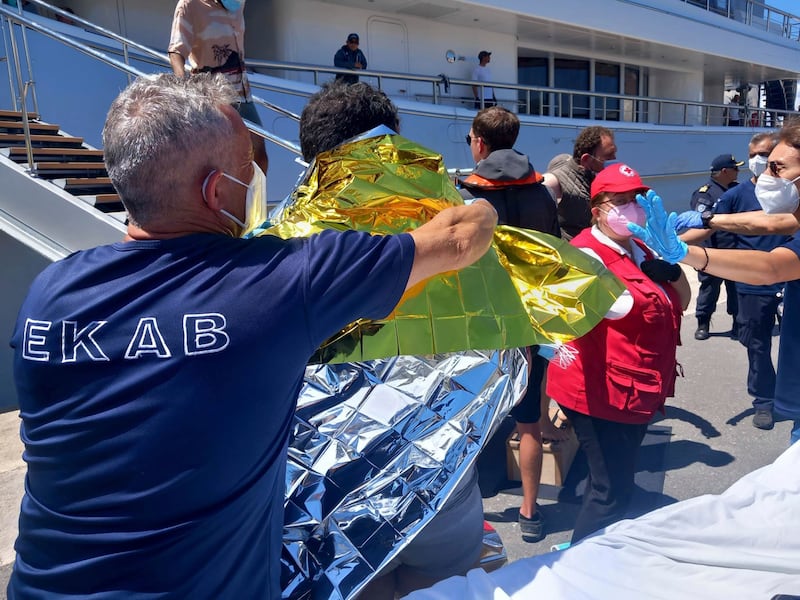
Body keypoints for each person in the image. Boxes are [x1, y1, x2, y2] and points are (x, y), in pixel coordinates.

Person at [7, 73, 498, 598]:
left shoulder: (49, 294)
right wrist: (481, 197)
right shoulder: (277, 284)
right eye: (252, 166)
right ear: (215, 191)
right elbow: (460, 238)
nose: (262, 175)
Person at [297, 80, 489, 599]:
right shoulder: (450, 222)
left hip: (329, 481)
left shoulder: (278, 243)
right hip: (440, 457)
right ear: (392, 142)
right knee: (443, 585)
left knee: (361, 584)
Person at [629, 119, 800, 447]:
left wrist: (683, 253)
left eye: (777, 167)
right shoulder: (767, 202)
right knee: (757, 344)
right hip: (751, 288)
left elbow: (771, 267)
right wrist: (704, 219)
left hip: (758, 278)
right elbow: (766, 221)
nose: (766, 175)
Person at [546, 163, 691, 544]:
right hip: (602, 394)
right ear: (597, 210)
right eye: (620, 201)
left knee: (613, 480)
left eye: (636, 199)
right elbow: (562, 322)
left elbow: (683, 302)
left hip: (637, 389)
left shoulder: (642, 246)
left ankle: (600, 552)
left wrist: (673, 271)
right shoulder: (583, 257)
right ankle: (581, 565)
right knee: (610, 493)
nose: (631, 208)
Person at [458, 105, 564, 543]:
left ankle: (467, 508)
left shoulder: (466, 194)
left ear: (479, 143)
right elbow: (553, 257)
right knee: (528, 423)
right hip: (525, 323)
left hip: (477, 324)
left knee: (466, 419)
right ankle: (530, 511)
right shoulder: (541, 193)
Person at [679, 134, 788, 431]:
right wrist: (669, 245)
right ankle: (764, 401)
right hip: (753, 282)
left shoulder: (792, 193)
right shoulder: (736, 195)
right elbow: (704, 226)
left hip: (791, 277)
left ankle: (790, 395)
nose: (760, 161)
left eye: (766, 154)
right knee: (758, 345)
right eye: (755, 154)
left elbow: (773, 223)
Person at [168, 0, 268, 173]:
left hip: (243, 94)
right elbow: (176, 51)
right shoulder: (189, 5)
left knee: (259, 156)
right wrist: (181, 84)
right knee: (222, 162)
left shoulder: (238, 3)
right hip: (215, 98)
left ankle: (255, 199)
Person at [684, 154, 742, 341]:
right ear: (725, 171)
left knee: (737, 289)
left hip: (735, 251)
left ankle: (737, 323)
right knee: (709, 289)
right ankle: (703, 323)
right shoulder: (705, 193)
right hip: (713, 252)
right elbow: (700, 223)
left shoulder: (737, 189)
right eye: (735, 168)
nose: (738, 171)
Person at [546, 126, 617, 240]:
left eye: (614, 153)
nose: (614, 159)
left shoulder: (594, 176)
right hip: (571, 252)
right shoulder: (557, 180)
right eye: (608, 157)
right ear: (586, 159)